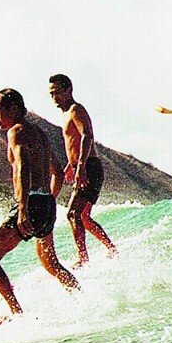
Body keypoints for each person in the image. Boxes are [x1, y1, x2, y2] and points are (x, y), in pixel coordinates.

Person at [0, 88, 79, 315]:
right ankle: (83, 299)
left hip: (30, 203)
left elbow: (23, 168)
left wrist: (24, 207)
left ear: (13, 109)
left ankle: (17, 314)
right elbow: (58, 173)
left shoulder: (16, 132)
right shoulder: (39, 133)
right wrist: (48, 201)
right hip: (45, 204)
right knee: (51, 264)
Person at [48, 74, 118, 268]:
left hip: (89, 167)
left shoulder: (76, 110)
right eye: (51, 94)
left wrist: (80, 167)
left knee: (73, 214)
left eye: (58, 93)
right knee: (83, 217)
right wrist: (70, 167)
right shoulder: (65, 114)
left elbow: (87, 136)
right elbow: (74, 143)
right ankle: (111, 249)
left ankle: (83, 258)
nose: (54, 98)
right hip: (84, 166)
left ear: (69, 90)